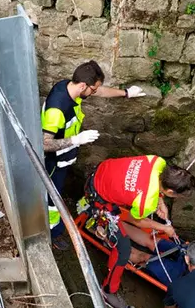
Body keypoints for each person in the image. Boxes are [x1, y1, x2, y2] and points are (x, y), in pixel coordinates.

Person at [42, 60, 146, 250]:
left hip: (65, 158)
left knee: (57, 192)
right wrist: (75, 140)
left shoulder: (70, 86)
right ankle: (52, 233)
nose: (95, 92)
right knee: (51, 199)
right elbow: (44, 143)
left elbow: (101, 91)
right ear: (83, 86)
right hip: (54, 162)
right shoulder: (57, 110)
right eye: (93, 89)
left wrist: (126, 93)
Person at [81, 155, 195, 308]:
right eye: (177, 195)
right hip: (98, 196)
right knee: (123, 250)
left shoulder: (158, 162)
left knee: (130, 224)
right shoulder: (146, 201)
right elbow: (136, 220)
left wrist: (160, 201)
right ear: (170, 191)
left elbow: (148, 184)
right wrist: (164, 228)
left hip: (102, 172)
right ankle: (108, 290)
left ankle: (105, 224)